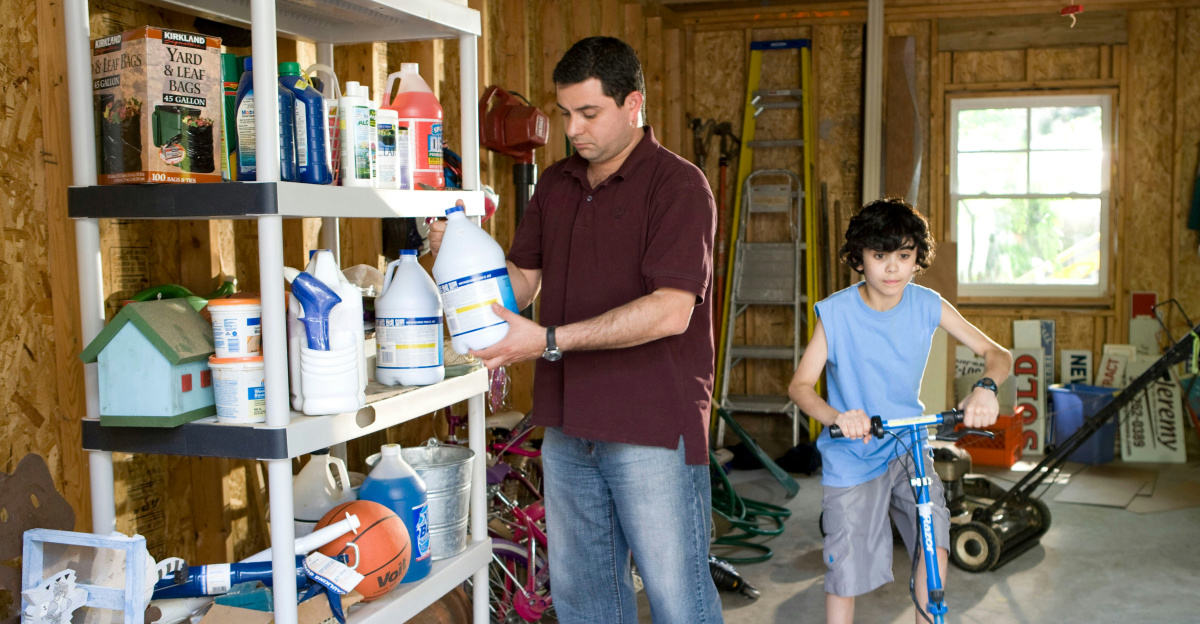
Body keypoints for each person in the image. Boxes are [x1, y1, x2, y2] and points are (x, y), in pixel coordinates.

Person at [430, 36, 723, 624]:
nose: (575, 129)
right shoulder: (557, 185)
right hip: (567, 425)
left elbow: (671, 309)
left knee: (677, 599)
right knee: (585, 601)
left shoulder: (678, 186)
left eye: (590, 113)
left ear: (633, 103)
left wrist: (548, 341)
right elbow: (523, 285)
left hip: (651, 428)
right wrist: (458, 257)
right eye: (566, 114)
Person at [788, 198, 1012, 624]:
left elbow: (996, 353)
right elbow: (800, 386)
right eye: (879, 256)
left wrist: (985, 387)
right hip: (852, 453)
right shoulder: (836, 313)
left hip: (908, 444)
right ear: (859, 258)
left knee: (936, 541)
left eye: (904, 256)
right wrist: (838, 417)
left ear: (916, 260)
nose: (892, 269)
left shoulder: (927, 304)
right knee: (845, 569)